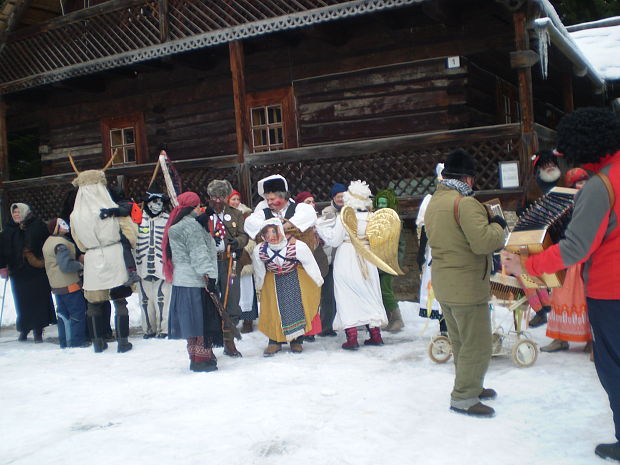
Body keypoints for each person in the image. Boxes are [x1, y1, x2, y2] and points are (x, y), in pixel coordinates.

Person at [501, 108, 620, 461]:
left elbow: (576, 247)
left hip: (611, 293)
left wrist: (527, 264)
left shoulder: (602, 186)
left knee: (614, 366)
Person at [424, 149, 506, 418]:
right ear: (469, 179)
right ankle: (464, 397)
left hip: (446, 284)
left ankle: (471, 385)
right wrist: (498, 225)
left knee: (461, 341)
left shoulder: (435, 201)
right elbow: (484, 242)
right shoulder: (465, 203)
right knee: (477, 343)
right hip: (467, 285)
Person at [316, 180, 388, 350]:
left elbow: (334, 240)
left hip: (347, 256)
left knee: (346, 294)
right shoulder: (372, 217)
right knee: (370, 292)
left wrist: (320, 227)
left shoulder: (345, 217)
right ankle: (375, 334)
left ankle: (352, 338)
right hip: (367, 256)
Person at [70, 169, 136, 353]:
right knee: (120, 300)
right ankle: (123, 342)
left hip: (92, 258)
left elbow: (79, 243)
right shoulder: (111, 208)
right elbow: (131, 235)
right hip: (114, 254)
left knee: (93, 302)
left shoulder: (76, 215)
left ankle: (98, 342)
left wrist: (91, 249)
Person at [163, 191, 223, 372]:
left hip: (181, 280)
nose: (200, 209)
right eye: (198, 206)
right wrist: (209, 276)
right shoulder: (191, 227)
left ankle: (194, 356)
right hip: (196, 281)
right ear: (194, 207)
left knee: (191, 322)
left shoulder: (175, 225)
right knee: (201, 321)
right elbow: (199, 253)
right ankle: (202, 360)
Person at [540, 167, 592, 354]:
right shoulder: (562, 203)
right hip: (565, 254)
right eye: (578, 183)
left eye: (584, 182)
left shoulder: (592, 201)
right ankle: (560, 338)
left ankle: (590, 340)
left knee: (583, 299)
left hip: (584, 256)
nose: (581, 186)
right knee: (560, 296)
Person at [252, 219, 323, 356]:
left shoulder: (297, 246)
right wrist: (259, 285)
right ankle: (274, 342)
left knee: (296, 308)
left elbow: (309, 263)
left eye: (274, 231)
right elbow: (259, 269)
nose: (271, 236)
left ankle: (296, 341)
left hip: (293, 279)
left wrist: (317, 279)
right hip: (272, 281)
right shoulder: (259, 250)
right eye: (267, 233)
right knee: (273, 310)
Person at [196, 179, 248, 357]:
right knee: (210, 302)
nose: (217, 201)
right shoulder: (203, 214)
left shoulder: (236, 214)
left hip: (229, 262)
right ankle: (208, 342)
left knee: (231, 300)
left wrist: (237, 242)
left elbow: (244, 236)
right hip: (209, 264)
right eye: (214, 197)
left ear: (227, 197)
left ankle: (229, 341)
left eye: (221, 197)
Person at [0, 203, 56, 342]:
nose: (16, 215)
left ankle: (38, 329)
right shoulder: (8, 229)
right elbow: (2, 249)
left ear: (25, 212)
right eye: (14, 213)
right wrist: (2, 267)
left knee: (38, 300)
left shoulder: (37, 226)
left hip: (36, 269)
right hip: (18, 270)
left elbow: (45, 244)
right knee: (22, 301)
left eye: (19, 212)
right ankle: (24, 328)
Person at [520, 150, 563, 328]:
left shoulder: (566, 182)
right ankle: (541, 309)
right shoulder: (533, 188)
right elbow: (521, 211)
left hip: (565, 237)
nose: (549, 166)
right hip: (542, 238)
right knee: (529, 269)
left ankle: (565, 323)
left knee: (566, 284)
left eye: (551, 163)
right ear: (539, 168)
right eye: (545, 164)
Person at [42, 218, 89, 348]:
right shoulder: (60, 244)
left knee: (63, 314)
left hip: (57, 285)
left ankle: (65, 340)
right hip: (69, 284)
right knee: (77, 312)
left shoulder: (48, 242)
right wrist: (80, 265)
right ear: (56, 227)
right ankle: (76, 341)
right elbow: (66, 266)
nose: (66, 226)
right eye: (62, 224)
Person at [135, 187, 171, 339]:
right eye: (154, 202)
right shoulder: (137, 220)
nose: (158, 205)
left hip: (162, 267)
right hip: (142, 266)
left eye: (160, 202)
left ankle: (164, 329)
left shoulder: (168, 219)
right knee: (145, 300)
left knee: (163, 299)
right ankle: (148, 329)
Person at [417, 164, 447, 335]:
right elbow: (425, 229)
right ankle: (444, 329)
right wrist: (421, 252)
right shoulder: (430, 201)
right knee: (437, 288)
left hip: (455, 251)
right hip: (435, 251)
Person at [316, 182, 347, 337]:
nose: (341, 199)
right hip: (331, 259)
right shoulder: (328, 212)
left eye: (343, 196)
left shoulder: (352, 211)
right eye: (338, 196)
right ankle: (325, 326)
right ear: (333, 198)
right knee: (329, 295)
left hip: (348, 258)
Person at [374, 188, 406, 332]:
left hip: (389, 263)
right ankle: (386, 319)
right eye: (379, 203)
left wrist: (396, 261)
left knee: (386, 290)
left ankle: (397, 320)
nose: (381, 206)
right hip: (375, 262)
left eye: (384, 203)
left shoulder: (396, 222)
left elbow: (401, 244)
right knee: (377, 291)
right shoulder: (373, 219)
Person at [227, 189, 258, 333]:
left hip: (244, 252)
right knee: (232, 287)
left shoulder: (247, 215)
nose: (236, 202)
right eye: (233, 199)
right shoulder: (223, 215)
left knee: (246, 287)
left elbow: (253, 234)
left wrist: (247, 248)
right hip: (229, 254)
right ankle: (232, 319)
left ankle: (248, 320)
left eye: (237, 199)